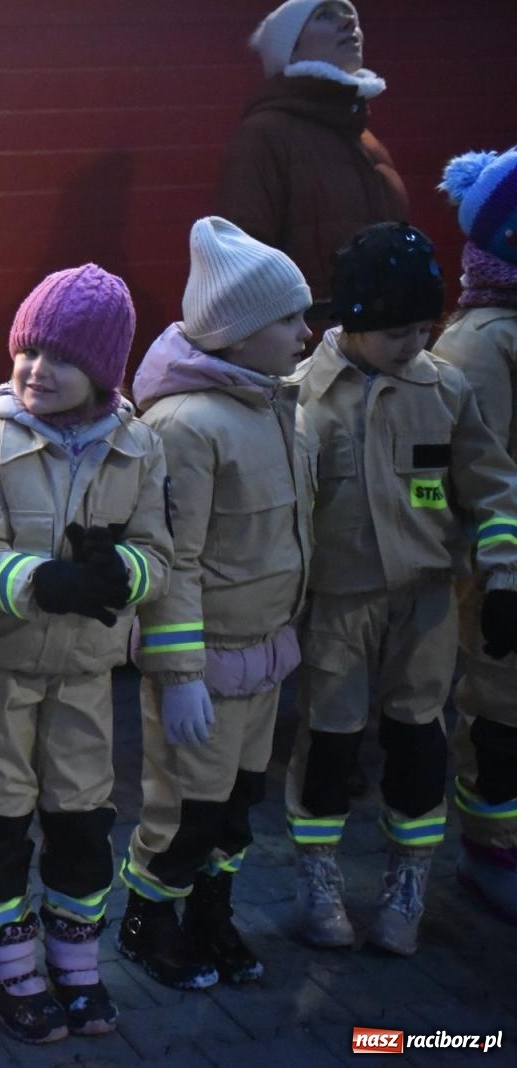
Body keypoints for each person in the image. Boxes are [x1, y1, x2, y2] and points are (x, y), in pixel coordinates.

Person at [285, 222, 517, 957]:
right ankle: (318, 872)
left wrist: (505, 575)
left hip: (423, 604)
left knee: (419, 746)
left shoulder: (443, 389)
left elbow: (493, 486)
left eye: (425, 326)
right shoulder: (301, 399)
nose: (415, 343)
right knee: (329, 744)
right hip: (339, 604)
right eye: (395, 331)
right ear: (352, 321)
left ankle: (407, 880)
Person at [0, 265, 171, 1044]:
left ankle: (75, 966)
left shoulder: (138, 447)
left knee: (83, 822)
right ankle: (4, 964)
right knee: (1, 822)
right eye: (28, 353)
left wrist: (124, 573)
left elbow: (159, 550)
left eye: (61, 360)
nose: (38, 372)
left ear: (104, 372)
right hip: (3, 668)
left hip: (86, 671)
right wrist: (38, 579)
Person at [120, 218, 316, 992]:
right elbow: (176, 562)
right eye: (289, 319)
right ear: (237, 333)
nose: (308, 332)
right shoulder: (188, 426)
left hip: (264, 657)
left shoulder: (272, 404)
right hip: (205, 667)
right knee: (184, 810)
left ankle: (211, 912)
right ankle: (149, 920)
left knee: (236, 805)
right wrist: (180, 676)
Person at [433, 147, 517, 922]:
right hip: (500, 581)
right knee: (499, 718)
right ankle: (492, 850)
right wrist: (501, 576)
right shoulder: (483, 344)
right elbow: (486, 473)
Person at [217, 1, 407, 312]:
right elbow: (243, 259)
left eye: (350, 16)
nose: (348, 23)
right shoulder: (263, 135)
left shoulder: (368, 143)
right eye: (324, 16)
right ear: (289, 49)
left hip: (381, 345)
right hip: (308, 351)